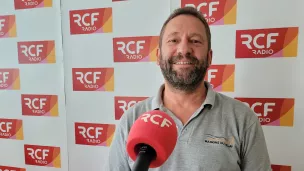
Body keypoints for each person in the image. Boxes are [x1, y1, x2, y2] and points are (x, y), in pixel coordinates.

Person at [105, 6, 272, 171]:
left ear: (209, 57)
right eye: (174, 40)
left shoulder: (243, 119)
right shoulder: (132, 119)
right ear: (158, 56)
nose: (184, 49)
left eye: (195, 41)